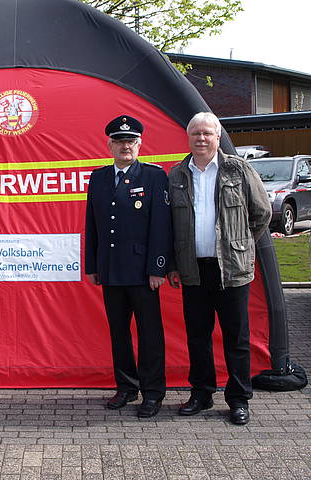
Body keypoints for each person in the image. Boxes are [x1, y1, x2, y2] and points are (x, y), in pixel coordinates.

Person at [167, 112, 271, 425]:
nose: (201, 138)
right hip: (193, 270)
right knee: (197, 337)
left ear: (217, 136)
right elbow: (169, 225)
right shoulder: (177, 174)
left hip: (231, 271)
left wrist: (240, 244)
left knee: (236, 338)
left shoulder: (238, 169)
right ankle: (201, 394)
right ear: (188, 137)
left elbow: (262, 213)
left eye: (207, 133)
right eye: (195, 133)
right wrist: (173, 263)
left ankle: (238, 399)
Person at [85, 115, 172, 418]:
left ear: (140, 144)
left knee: (150, 334)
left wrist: (158, 268)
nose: (125, 146)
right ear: (109, 145)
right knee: (119, 332)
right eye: (120, 141)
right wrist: (93, 264)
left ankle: (153, 392)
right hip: (110, 269)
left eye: (131, 141)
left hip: (142, 272)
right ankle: (126, 386)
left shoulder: (153, 177)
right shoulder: (99, 178)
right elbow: (92, 224)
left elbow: (160, 226)